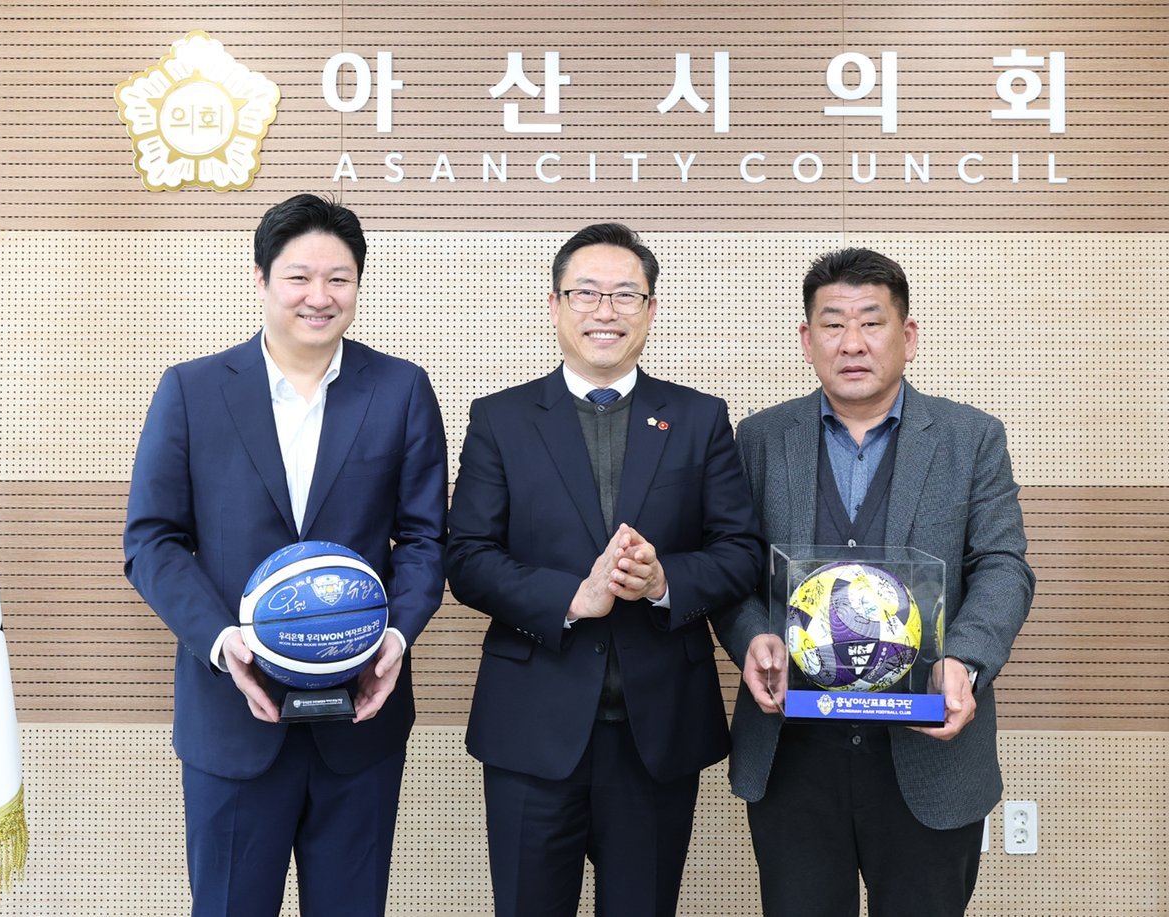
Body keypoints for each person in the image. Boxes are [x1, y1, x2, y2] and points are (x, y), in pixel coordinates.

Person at [123, 193, 447, 917]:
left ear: (358, 285)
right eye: (299, 276)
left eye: (339, 278)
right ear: (261, 278)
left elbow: (425, 538)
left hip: (361, 718)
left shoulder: (400, 389)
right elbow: (152, 540)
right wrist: (222, 641)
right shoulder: (192, 390)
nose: (319, 296)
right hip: (232, 719)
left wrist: (395, 637)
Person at [446, 223, 764, 917]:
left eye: (625, 294)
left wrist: (664, 581)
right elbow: (466, 558)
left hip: (657, 730)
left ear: (650, 309)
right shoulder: (500, 419)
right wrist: (572, 596)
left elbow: (740, 551)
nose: (605, 311)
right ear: (554, 305)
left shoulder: (699, 417)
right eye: (586, 293)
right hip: (531, 728)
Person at [714, 248, 1035, 917]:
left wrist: (966, 661)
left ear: (907, 336)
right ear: (807, 340)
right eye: (832, 324)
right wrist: (751, 639)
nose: (852, 342)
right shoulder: (760, 438)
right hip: (795, 753)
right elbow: (732, 568)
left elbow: (1003, 565)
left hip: (929, 757)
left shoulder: (971, 437)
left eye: (871, 321)